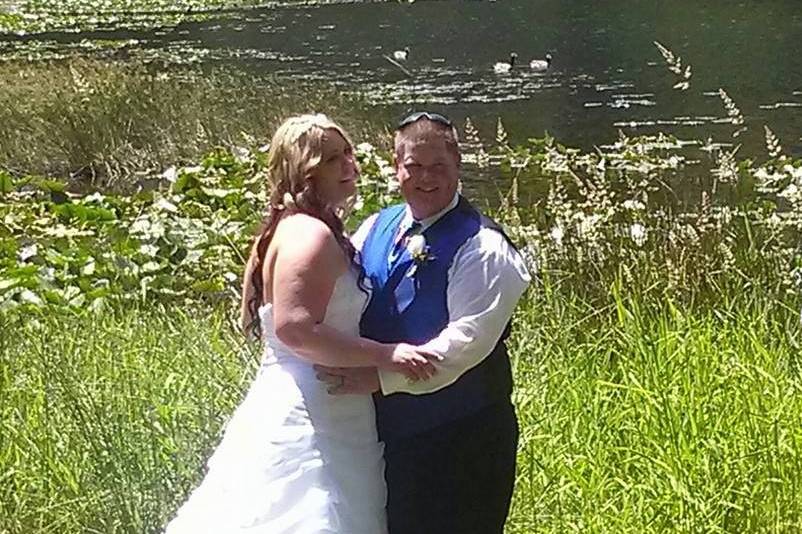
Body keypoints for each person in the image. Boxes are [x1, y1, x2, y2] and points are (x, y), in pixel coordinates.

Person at [164, 114, 440, 534]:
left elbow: (252, 319)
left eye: (348, 153)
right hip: (315, 404)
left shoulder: (280, 229)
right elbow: (293, 328)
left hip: (325, 398)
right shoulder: (308, 236)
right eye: (333, 160)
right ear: (305, 172)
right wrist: (388, 354)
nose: (351, 165)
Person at [316, 111, 531, 534]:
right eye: (414, 167)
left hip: (463, 437)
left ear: (458, 167)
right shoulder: (378, 225)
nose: (426, 178)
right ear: (397, 169)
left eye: (439, 168)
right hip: (388, 433)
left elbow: (466, 341)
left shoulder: (483, 247)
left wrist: (381, 377)